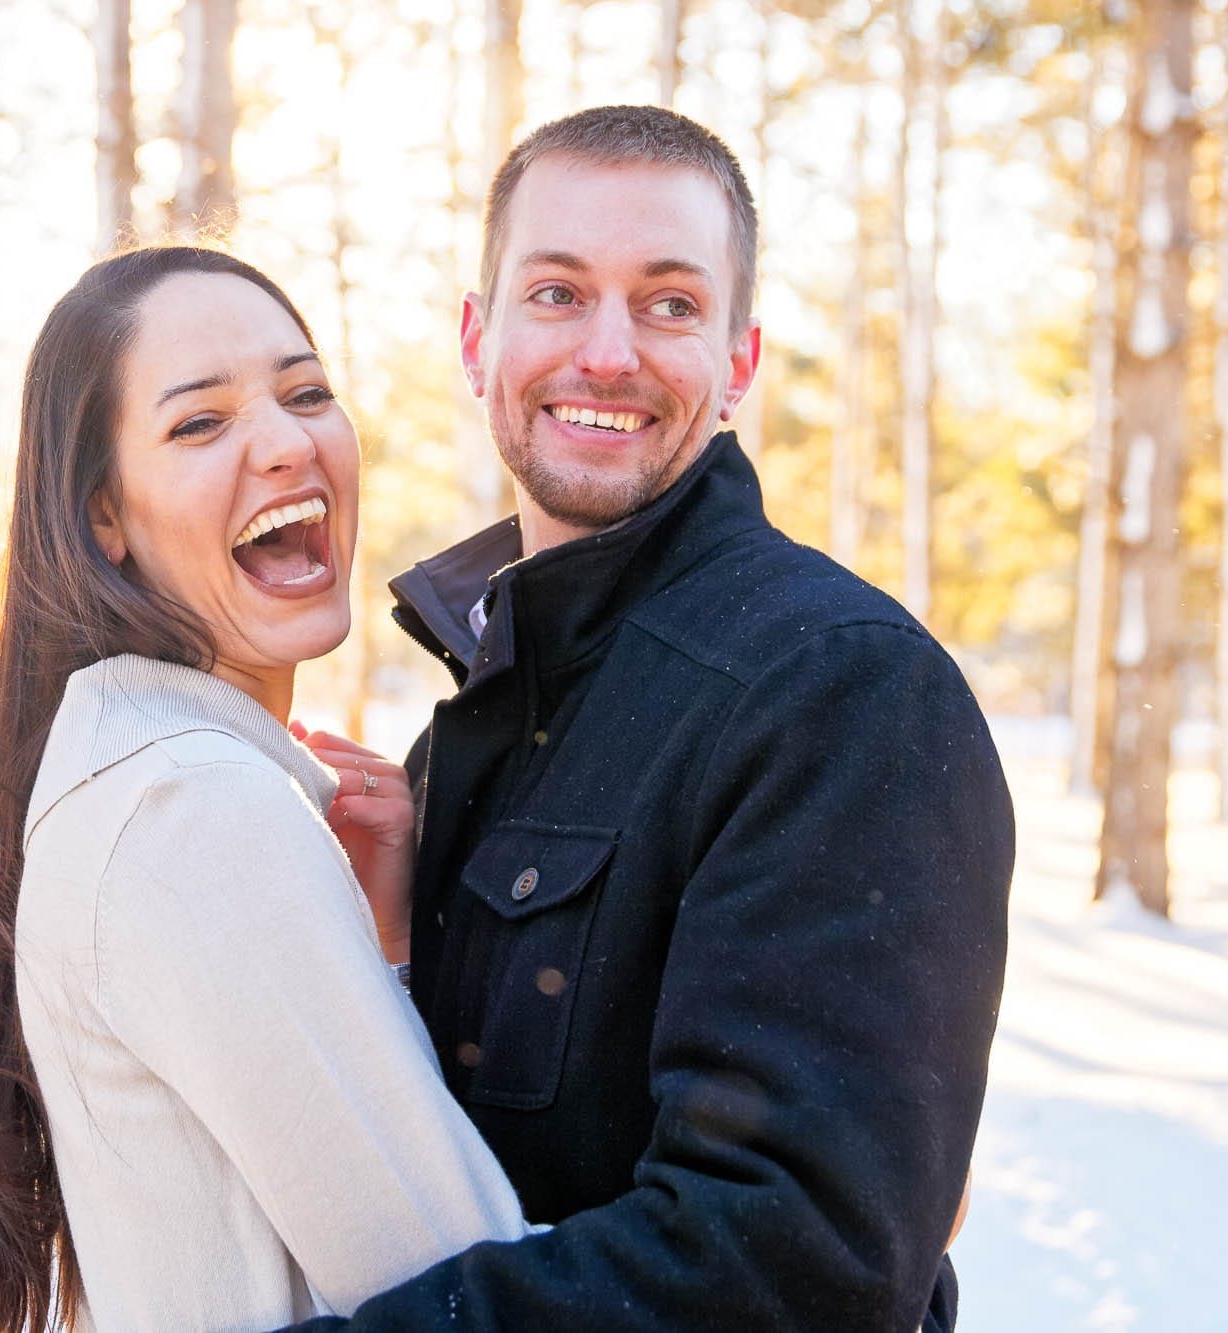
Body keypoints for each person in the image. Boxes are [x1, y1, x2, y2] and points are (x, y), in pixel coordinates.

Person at [292, 105, 1013, 1332]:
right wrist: (402, 945)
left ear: (736, 363)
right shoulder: (480, 708)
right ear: (480, 341)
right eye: (557, 293)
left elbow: (795, 1259)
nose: (607, 352)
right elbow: (477, 1164)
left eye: (669, 303)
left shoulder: (837, 689)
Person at [0, 245, 530, 1333]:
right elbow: (461, 1292)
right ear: (103, 516)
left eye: (304, 393)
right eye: (199, 423)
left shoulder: (139, 771)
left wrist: (382, 934)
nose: (286, 442)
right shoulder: (191, 807)